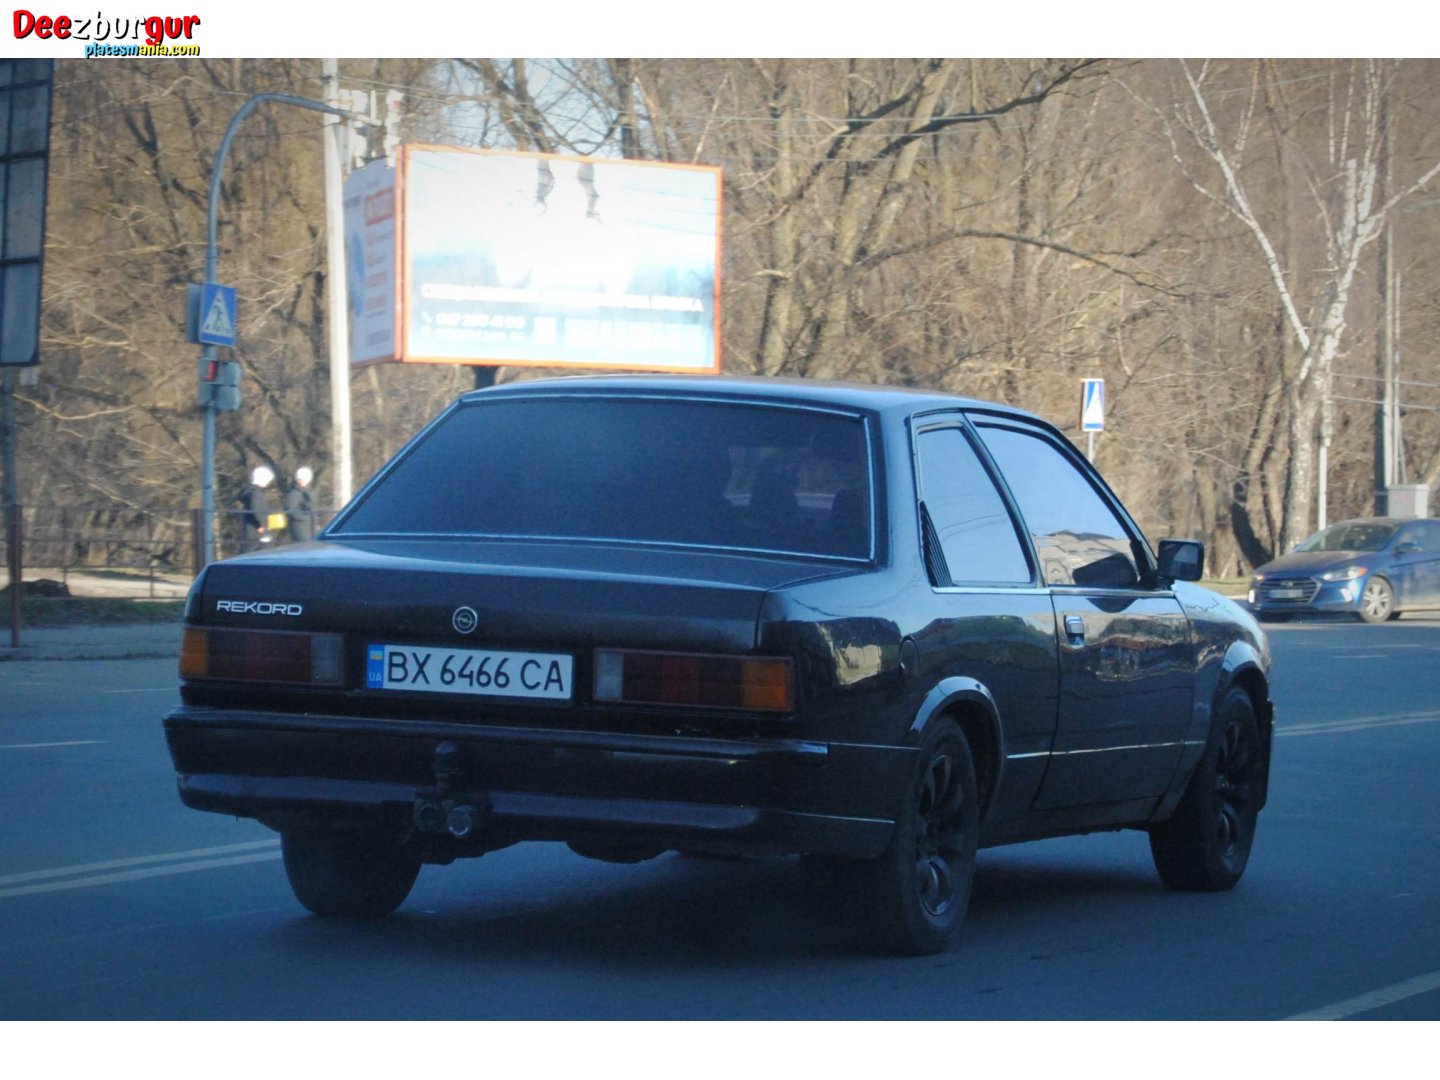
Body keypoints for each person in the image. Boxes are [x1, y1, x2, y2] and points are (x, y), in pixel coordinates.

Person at [237, 465, 275, 552]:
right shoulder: (256, 493)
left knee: (250, 551)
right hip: (257, 531)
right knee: (259, 552)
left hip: (251, 529)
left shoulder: (250, 491)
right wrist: (262, 526)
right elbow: (256, 510)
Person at [285, 466, 317, 542]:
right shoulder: (294, 493)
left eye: (302, 479)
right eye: (300, 479)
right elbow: (290, 510)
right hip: (300, 527)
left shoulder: (309, 492)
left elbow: (313, 506)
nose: (301, 481)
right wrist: (305, 517)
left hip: (310, 526)